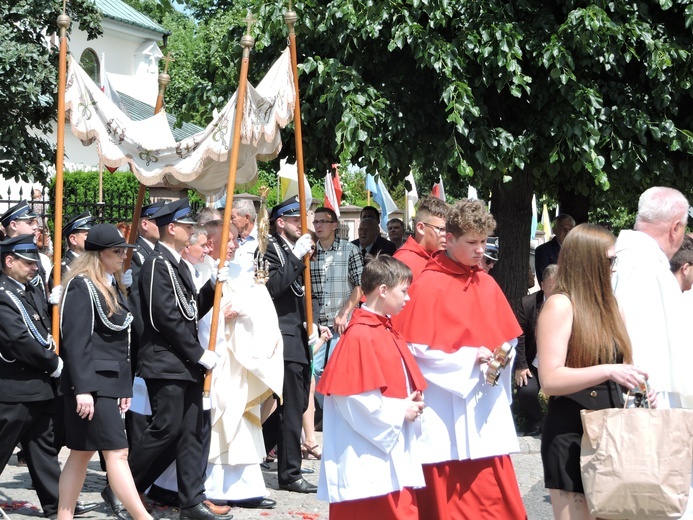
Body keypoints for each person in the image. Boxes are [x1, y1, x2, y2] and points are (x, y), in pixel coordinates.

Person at [392, 198, 527, 519]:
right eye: (472, 242)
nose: (481, 250)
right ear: (449, 239)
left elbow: (507, 336)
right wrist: (468, 360)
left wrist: (500, 355)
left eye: (484, 242)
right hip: (444, 408)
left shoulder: (486, 282)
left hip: (482, 404)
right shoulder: (426, 283)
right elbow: (414, 351)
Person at [127, 198, 232, 520]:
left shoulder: (174, 264)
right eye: (187, 226)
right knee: (165, 429)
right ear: (172, 229)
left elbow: (188, 311)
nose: (191, 231)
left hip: (181, 364)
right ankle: (123, 488)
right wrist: (198, 353)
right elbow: (164, 318)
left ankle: (191, 501)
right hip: (166, 362)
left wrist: (214, 285)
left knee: (190, 433)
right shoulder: (159, 263)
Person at [537, 223, 650, 520]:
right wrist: (607, 370)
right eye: (610, 260)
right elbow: (549, 379)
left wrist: (640, 389)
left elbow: (625, 365)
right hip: (572, 432)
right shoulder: (560, 305)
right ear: (588, 262)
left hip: (613, 433)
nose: (614, 267)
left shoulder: (613, 305)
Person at [317, 255, 427, 519]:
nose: (407, 298)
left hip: (388, 445)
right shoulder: (360, 334)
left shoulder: (381, 328)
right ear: (383, 290)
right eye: (404, 291)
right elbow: (352, 398)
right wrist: (400, 411)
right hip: (365, 454)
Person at [57, 224, 151, 520]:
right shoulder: (82, 285)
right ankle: (143, 517)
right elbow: (76, 341)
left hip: (109, 384)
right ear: (98, 254)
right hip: (92, 386)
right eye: (117, 251)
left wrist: (124, 387)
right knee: (118, 453)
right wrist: (83, 389)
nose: (123, 256)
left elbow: (121, 344)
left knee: (81, 454)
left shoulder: (112, 285)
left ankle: (64, 516)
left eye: (124, 250)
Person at [0, 235, 96, 519]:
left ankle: (58, 505)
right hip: (15, 389)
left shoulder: (28, 289)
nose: (34, 267)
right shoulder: (3, 294)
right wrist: (53, 362)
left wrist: (57, 302)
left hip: (40, 387)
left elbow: (42, 326)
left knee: (43, 449)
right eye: (28, 262)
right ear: (9, 261)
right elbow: (17, 340)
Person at [260, 196, 320, 493]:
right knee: (291, 406)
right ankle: (290, 474)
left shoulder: (303, 250)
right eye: (296, 220)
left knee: (291, 407)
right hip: (281, 336)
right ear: (281, 222)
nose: (302, 224)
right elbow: (271, 288)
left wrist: (315, 321)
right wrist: (296, 258)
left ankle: (256, 447)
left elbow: (312, 291)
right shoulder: (270, 248)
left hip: (300, 334)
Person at [611, 186, 692, 408]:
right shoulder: (642, 265)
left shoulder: (630, 257)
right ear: (675, 228)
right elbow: (636, 339)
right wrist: (640, 396)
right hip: (649, 399)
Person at [514, 264, 558, 437]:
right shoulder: (528, 303)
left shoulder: (571, 304)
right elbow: (519, 336)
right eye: (552, 287)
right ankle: (535, 420)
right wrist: (521, 365)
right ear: (542, 285)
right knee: (526, 390)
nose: (556, 292)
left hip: (561, 362)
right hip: (534, 360)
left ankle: (554, 422)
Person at [393, 196, 449, 278]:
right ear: (421, 228)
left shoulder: (445, 258)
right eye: (442, 229)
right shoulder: (401, 263)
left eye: (449, 230)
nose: (447, 235)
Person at [48, 212, 95, 288]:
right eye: (87, 235)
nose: (92, 237)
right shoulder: (62, 268)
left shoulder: (95, 262)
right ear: (73, 239)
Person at [535, 214, 575, 284]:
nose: (567, 231)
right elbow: (545, 279)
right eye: (562, 228)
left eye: (570, 228)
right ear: (554, 230)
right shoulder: (543, 251)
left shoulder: (581, 250)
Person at [230, 199, 259, 283]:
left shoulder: (263, 241)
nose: (230, 222)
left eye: (233, 218)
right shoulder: (228, 240)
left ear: (246, 218)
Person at [181, 225, 210, 292]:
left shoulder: (196, 270)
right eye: (203, 245)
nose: (207, 250)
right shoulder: (181, 273)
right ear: (187, 247)